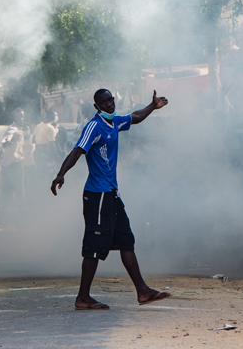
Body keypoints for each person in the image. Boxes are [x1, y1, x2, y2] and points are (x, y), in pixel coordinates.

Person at [50, 88, 171, 310]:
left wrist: (152, 106)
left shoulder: (114, 121)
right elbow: (77, 150)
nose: (109, 104)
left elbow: (135, 118)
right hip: (97, 196)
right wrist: (61, 174)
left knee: (126, 241)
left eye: (110, 100)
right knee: (94, 247)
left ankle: (143, 291)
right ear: (97, 107)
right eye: (103, 103)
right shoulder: (93, 126)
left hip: (111, 194)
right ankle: (83, 298)